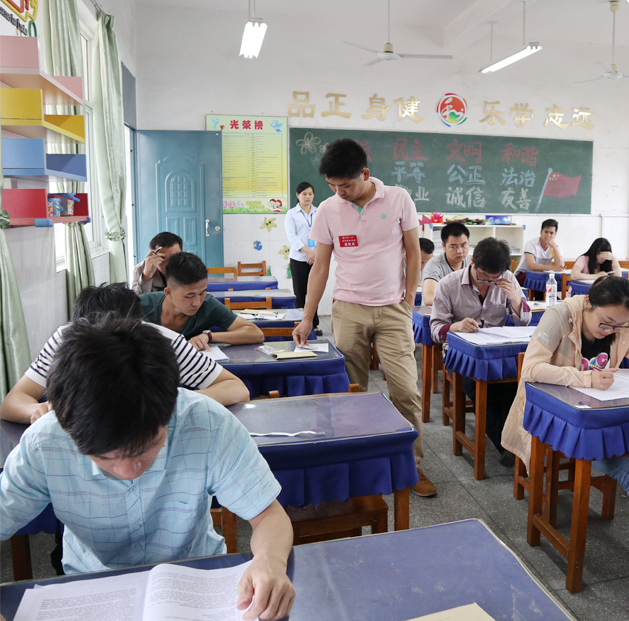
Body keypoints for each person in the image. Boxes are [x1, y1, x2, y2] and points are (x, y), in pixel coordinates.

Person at [0, 318, 296, 620]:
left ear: (170, 406)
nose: (128, 470)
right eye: (105, 457)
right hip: (92, 587)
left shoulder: (207, 422)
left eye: (147, 448)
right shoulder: (46, 442)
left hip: (195, 579)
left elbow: (267, 514)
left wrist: (270, 560)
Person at [292, 138, 435, 498]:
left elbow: (413, 253)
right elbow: (320, 267)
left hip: (393, 309)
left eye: (346, 185)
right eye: (332, 186)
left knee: (405, 390)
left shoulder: (399, 199)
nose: (339, 192)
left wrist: (408, 300)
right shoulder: (328, 210)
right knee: (352, 392)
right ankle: (358, 463)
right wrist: (308, 317)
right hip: (348, 309)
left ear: (365, 174)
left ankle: (412, 463)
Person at [502, 276, 629, 504]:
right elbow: (531, 368)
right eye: (605, 322)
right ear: (589, 302)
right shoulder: (560, 316)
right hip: (561, 416)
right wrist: (587, 378)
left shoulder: (621, 324)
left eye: (618, 325)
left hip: (603, 415)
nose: (610, 330)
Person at [0, 284, 250, 425]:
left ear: (139, 327)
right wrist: (37, 410)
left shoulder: (163, 342)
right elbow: (12, 402)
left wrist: (174, 403)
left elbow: (236, 388)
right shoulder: (63, 340)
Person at [430, 238, 531, 466]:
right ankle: (507, 447)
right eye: (484, 277)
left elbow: (524, 320)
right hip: (461, 356)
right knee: (478, 388)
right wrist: (457, 326)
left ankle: (515, 443)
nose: (489, 283)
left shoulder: (507, 279)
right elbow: (435, 330)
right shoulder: (448, 284)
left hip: (496, 354)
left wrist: (515, 298)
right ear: (472, 262)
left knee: (513, 387)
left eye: (495, 279)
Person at [139, 252, 263, 351]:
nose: (197, 302)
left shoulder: (208, 305)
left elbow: (256, 334)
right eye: (189, 296)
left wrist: (209, 336)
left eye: (202, 293)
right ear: (169, 293)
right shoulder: (141, 305)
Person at [285, 181, 322, 335]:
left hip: (317, 258)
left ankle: (314, 324)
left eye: (310, 194)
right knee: (300, 293)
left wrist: (315, 253)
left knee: (314, 292)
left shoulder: (319, 212)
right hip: (298, 259)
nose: (307, 197)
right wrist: (308, 252)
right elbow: (292, 237)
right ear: (297, 195)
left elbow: (323, 234)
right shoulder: (291, 214)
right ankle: (300, 323)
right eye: (304, 194)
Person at [421, 222, 470, 306]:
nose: (460, 251)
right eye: (454, 247)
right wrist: (459, 303)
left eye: (463, 245)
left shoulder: (471, 263)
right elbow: (429, 298)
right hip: (437, 312)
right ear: (444, 246)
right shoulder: (434, 265)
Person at [513, 219, 565, 286]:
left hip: (540, 276)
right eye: (546, 232)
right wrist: (552, 267)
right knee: (546, 283)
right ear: (541, 232)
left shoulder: (555, 246)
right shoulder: (531, 244)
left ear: (555, 235)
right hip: (524, 275)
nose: (548, 235)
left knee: (555, 282)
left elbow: (560, 266)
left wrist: (554, 247)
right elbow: (532, 266)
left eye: (551, 233)